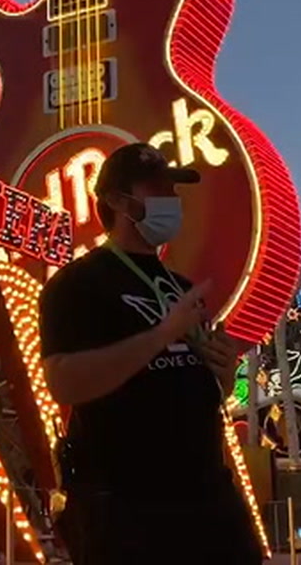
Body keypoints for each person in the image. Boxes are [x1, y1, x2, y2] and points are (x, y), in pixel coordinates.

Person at [39, 142, 262, 564]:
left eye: (173, 191)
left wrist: (224, 370)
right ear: (117, 201)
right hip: (127, 507)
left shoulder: (181, 286)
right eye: (157, 189)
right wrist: (162, 334)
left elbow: (203, 388)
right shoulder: (76, 283)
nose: (172, 201)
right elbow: (64, 381)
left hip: (209, 498)